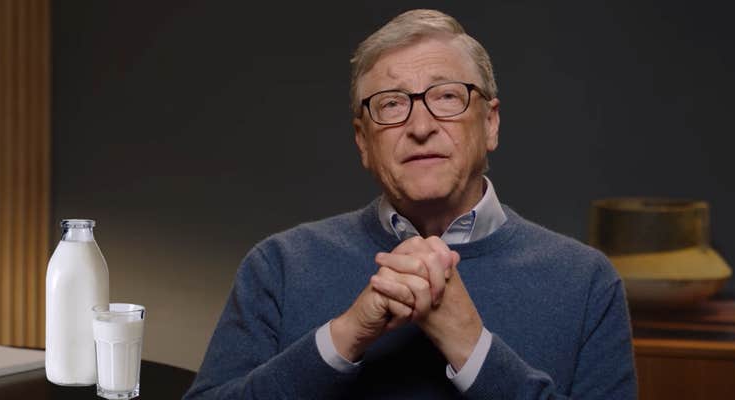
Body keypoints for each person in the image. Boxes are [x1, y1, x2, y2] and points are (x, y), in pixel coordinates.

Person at [184, 9, 636, 400]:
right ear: (363, 141)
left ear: (491, 123)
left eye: (445, 97)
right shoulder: (279, 266)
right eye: (391, 104)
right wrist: (344, 337)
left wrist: (473, 349)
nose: (420, 126)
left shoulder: (587, 282)